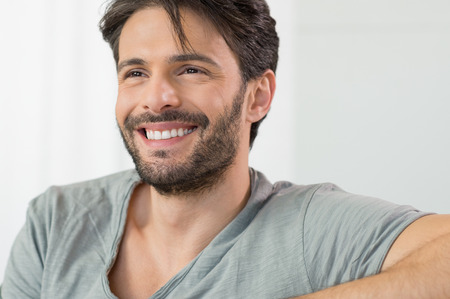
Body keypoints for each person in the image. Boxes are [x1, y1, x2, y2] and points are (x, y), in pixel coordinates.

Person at [1, 0, 449, 298]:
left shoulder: (308, 229)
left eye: (191, 69)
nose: (156, 98)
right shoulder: (56, 222)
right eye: (135, 73)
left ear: (258, 96)